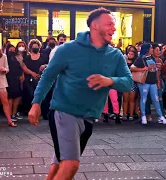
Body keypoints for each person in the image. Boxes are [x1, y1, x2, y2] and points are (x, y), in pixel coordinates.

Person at [28, 7, 132, 180]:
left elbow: (128, 83)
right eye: (110, 24)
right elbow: (48, 76)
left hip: (89, 117)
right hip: (64, 112)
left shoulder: (116, 55)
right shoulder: (68, 49)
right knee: (70, 165)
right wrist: (36, 103)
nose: (114, 28)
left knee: (60, 164)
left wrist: (109, 81)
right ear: (94, 25)